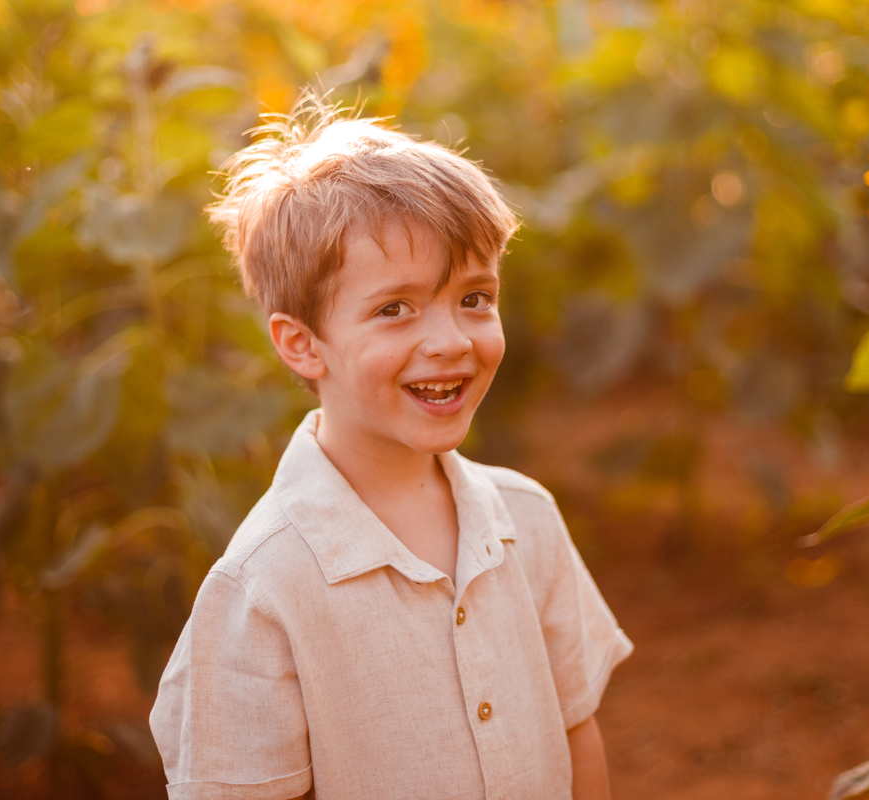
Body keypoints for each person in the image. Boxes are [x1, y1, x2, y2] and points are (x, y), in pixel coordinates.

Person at [150, 94, 633, 800]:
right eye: (394, 309)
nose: (451, 341)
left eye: (474, 297)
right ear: (303, 344)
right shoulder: (262, 588)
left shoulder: (527, 520)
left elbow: (575, 732)